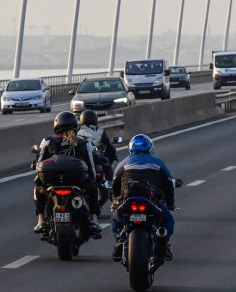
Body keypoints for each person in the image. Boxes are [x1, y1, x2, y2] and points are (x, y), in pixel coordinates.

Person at [32, 111, 103, 237]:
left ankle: (41, 220)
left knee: (38, 188)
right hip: (77, 180)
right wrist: (93, 178)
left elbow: (39, 164)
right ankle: (94, 219)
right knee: (93, 188)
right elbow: (91, 165)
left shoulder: (48, 140)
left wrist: (40, 177)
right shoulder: (83, 142)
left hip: (53, 180)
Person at [110, 134, 176, 264]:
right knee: (168, 220)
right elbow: (168, 185)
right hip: (151, 201)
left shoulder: (124, 163)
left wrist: (115, 200)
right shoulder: (158, 162)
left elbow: (115, 184)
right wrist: (170, 204)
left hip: (128, 201)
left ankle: (119, 242)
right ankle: (163, 241)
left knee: (115, 220)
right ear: (150, 148)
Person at [77, 110, 118, 181]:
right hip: (95, 158)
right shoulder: (99, 130)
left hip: (82, 158)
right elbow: (109, 146)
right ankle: (111, 187)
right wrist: (112, 157)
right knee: (107, 167)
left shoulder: (77, 131)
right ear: (95, 119)